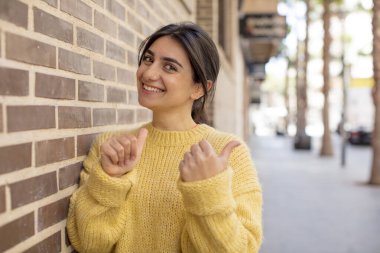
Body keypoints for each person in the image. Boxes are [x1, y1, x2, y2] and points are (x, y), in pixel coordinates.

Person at [67, 22, 262, 253]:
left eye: (169, 67)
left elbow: (243, 249)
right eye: (148, 59)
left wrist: (208, 191)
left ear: (199, 88)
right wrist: (109, 179)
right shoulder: (111, 148)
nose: (148, 73)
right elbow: (90, 244)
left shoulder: (227, 152)